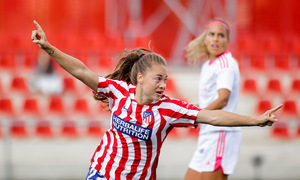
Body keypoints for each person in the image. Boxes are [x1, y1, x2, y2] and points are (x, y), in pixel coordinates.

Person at [31, 20, 282, 180]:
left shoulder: (170, 109)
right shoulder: (118, 91)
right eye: (158, 79)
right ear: (139, 77)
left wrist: (256, 121)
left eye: (166, 79)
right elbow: (82, 71)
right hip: (102, 173)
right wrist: (48, 47)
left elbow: (213, 115)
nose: (163, 85)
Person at [184, 19, 242, 180]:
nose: (216, 39)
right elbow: (206, 103)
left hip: (220, 132)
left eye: (221, 35)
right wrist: (187, 111)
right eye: (212, 34)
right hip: (207, 133)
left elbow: (223, 99)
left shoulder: (226, 64)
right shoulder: (208, 65)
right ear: (205, 38)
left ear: (227, 41)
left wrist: (197, 115)